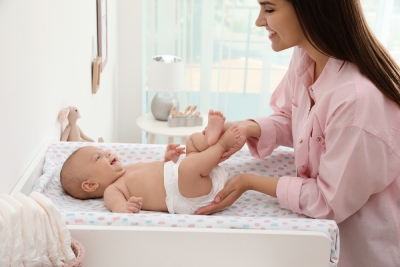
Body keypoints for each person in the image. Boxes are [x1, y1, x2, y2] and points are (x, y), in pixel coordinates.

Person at [195, 0, 400, 266]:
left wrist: (249, 182)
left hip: (361, 252)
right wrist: (246, 128)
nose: (259, 21)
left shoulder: (357, 101)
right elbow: (296, 120)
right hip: (320, 240)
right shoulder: (308, 57)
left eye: (269, 9)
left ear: (311, 9)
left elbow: (328, 201)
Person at [60, 110, 242, 214]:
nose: (107, 152)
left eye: (102, 151)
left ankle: (209, 140)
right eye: (98, 157)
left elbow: (158, 174)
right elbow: (119, 209)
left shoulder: (127, 170)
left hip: (191, 179)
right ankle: (220, 145)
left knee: (191, 142)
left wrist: (168, 160)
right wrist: (126, 207)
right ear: (91, 184)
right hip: (188, 196)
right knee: (188, 168)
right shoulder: (112, 190)